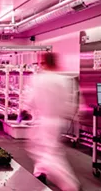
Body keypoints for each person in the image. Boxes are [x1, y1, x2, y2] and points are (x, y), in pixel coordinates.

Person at [20, 52, 80, 191]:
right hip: (58, 121)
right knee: (44, 149)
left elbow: (30, 97)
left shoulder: (39, 79)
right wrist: (68, 115)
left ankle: (70, 185)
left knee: (46, 152)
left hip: (44, 121)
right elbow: (70, 101)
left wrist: (24, 110)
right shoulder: (63, 80)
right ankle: (40, 173)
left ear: (44, 63)